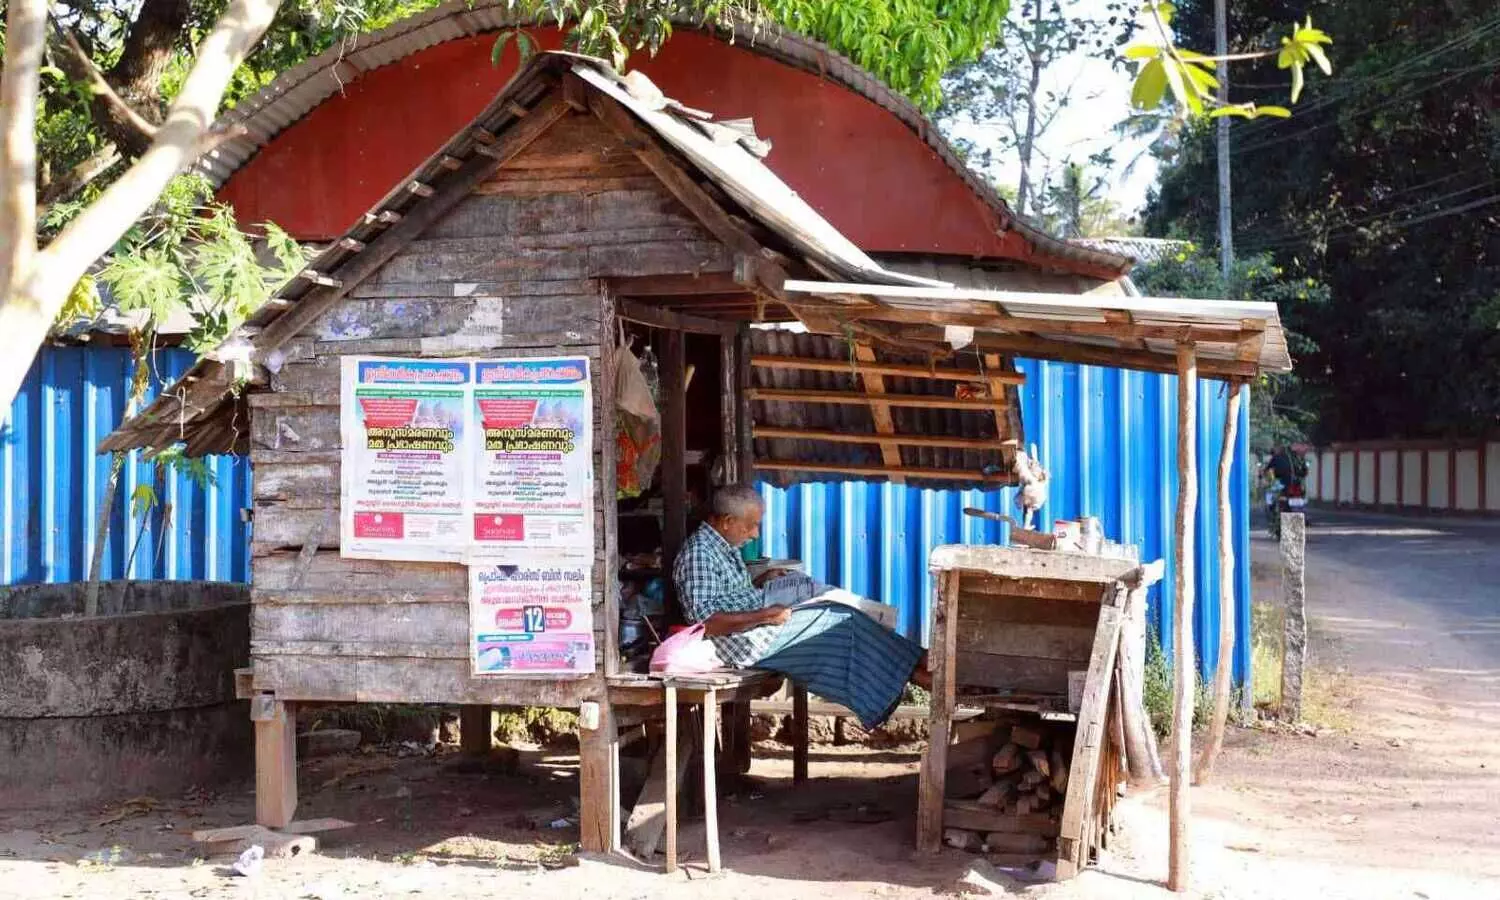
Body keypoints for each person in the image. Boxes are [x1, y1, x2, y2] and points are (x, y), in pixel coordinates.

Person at [672, 484, 928, 730]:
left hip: (757, 628)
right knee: (841, 622)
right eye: (751, 526)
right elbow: (705, 623)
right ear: (727, 521)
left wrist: (761, 582)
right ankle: (922, 669)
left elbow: (727, 597)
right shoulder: (699, 553)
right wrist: (764, 615)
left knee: (846, 617)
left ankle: (919, 667)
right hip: (742, 643)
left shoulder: (722, 547)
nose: (755, 534)